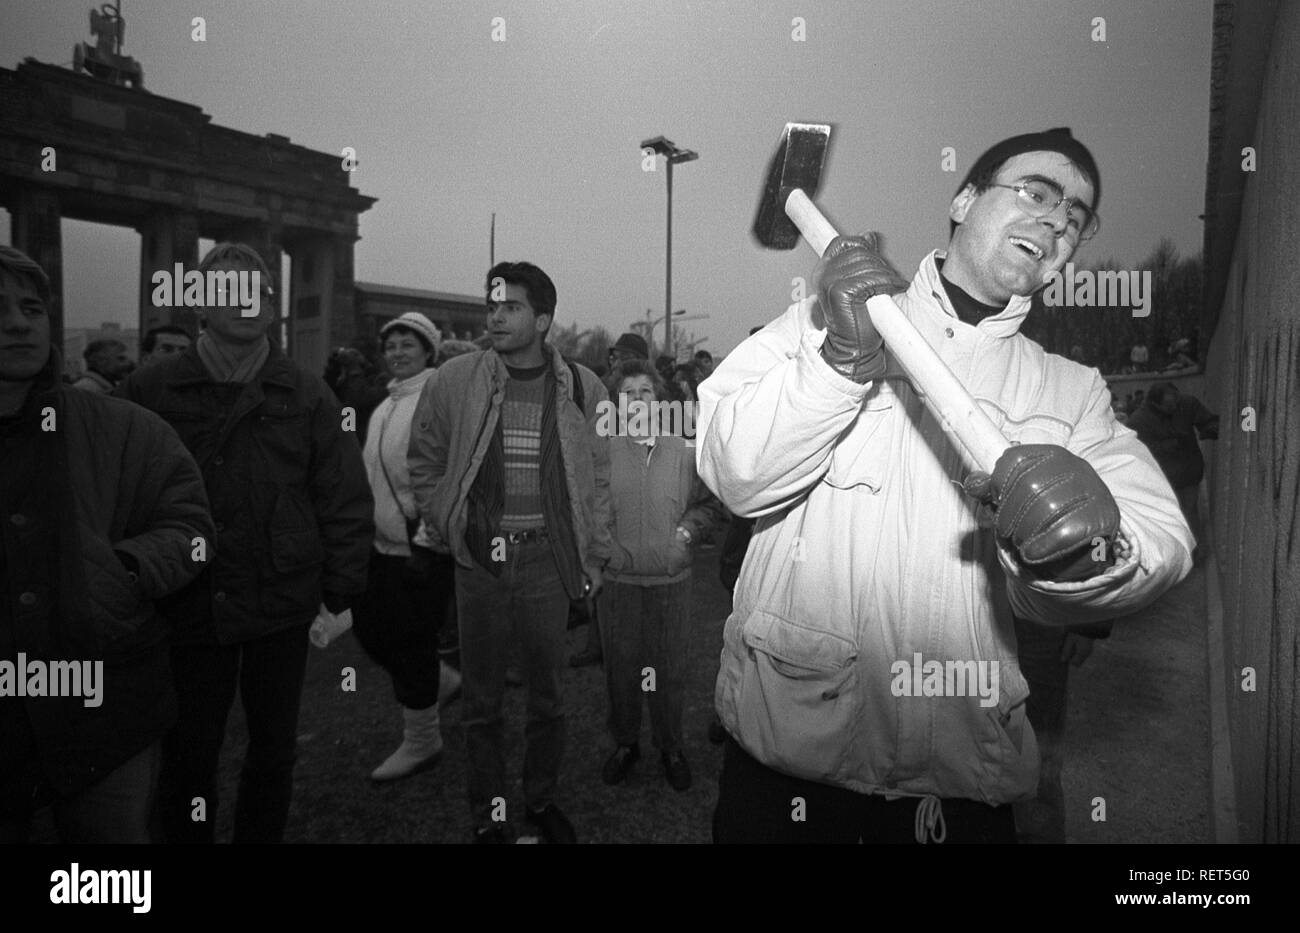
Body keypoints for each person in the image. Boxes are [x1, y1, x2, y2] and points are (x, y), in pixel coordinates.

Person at [697, 127, 1194, 844]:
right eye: (1036, 192)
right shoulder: (820, 318)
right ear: (964, 200)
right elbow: (734, 469)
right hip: (789, 775)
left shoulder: (1072, 391)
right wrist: (835, 365)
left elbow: (1160, 541)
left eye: (1076, 217)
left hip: (958, 787)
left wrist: (1083, 558)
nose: (1058, 221)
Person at [118, 242, 373, 844]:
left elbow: (342, 493)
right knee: (188, 754)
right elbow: (115, 491)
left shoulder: (308, 392)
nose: (247, 302)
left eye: (258, 291)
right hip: (187, 599)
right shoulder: (149, 389)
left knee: (272, 749)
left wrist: (341, 583)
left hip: (280, 596)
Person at [0, 245, 214, 843]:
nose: (19, 322)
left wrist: (123, 569)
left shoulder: (124, 426)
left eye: (32, 308)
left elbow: (194, 532)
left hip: (109, 705)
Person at [408, 260, 611, 844]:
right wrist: (446, 518)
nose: (496, 315)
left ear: (543, 319)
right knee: (483, 700)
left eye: (511, 306)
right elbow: (425, 457)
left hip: (548, 557)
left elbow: (596, 477)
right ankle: (490, 811)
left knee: (548, 696)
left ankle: (540, 800)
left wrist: (593, 554)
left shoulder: (581, 386)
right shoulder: (455, 379)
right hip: (479, 559)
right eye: (491, 304)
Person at [598, 360, 725, 792]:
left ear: (660, 400)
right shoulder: (603, 451)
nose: (636, 399)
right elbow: (587, 508)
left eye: (645, 391)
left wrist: (686, 534)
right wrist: (603, 549)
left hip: (671, 582)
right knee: (622, 668)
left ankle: (671, 746)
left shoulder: (687, 450)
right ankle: (626, 743)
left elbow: (710, 505)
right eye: (628, 392)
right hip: (618, 583)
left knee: (668, 669)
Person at [352, 312, 459, 782]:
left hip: (422, 548)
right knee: (372, 632)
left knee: (410, 642)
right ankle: (443, 682)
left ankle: (423, 741)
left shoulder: (436, 400)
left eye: (407, 345)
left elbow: (450, 475)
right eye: (390, 345)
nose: (396, 352)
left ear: (428, 352)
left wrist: (428, 541)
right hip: (382, 545)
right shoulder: (384, 405)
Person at [1125, 382, 1218, 545]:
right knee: (1173, 516)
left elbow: (1206, 420)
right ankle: (1180, 550)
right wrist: (1167, 445)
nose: (1175, 406)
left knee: (1189, 510)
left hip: (1190, 471)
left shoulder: (1186, 404)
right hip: (1164, 478)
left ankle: (1196, 551)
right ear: (1156, 404)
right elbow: (1136, 451)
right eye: (1169, 404)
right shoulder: (1139, 421)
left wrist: (1212, 428)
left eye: (1176, 400)